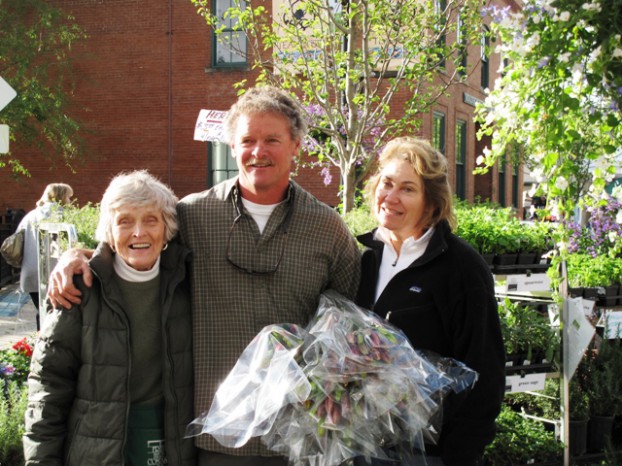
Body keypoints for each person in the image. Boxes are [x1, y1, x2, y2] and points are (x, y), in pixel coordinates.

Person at [47, 86, 362, 466]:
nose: (258, 151)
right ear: (232, 147)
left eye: (272, 140)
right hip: (215, 439)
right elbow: (134, 243)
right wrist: (74, 257)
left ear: (296, 145)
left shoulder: (328, 228)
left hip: (299, 438)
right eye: (247, 140)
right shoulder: (193, 216)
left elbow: (348, 329)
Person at [24, 170, 196, 466]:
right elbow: (48, 387)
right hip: (97, 449)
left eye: (151, 220)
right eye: (125, 221)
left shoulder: (187, 282)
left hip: (172, 445)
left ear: (167, 228)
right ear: (110, 232)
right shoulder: (78, 288)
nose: (139, 233)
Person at [355, 137, 505, 466]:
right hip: (360, 448)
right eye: (387, 183)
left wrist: (459, 456)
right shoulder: (362, 258)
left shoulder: (461, 268)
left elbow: (485, 376)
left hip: (429, 455)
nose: (391, 197)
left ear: (431, 202)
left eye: (408, 189)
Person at [17, 182, 73, 328]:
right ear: (61, 197)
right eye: (68, 197)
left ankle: (39, 343)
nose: (70, 201)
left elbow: (18, 240)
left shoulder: (30, 215)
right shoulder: (62, 215)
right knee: (56, 312)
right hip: (54, 271)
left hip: (31, 270)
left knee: (41, 311)